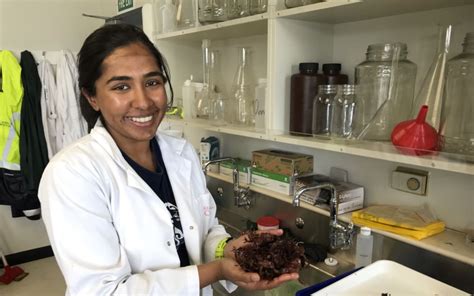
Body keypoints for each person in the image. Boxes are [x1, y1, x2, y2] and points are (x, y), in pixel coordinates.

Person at [38, 24, 299, 295]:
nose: (143, 102)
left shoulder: (181, 153)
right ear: (91, 97)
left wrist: (228, 249)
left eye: (152, 82)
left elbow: (203, 233)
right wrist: (217, 270)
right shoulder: (71, 174)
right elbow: (102, 291)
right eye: (121, 86)